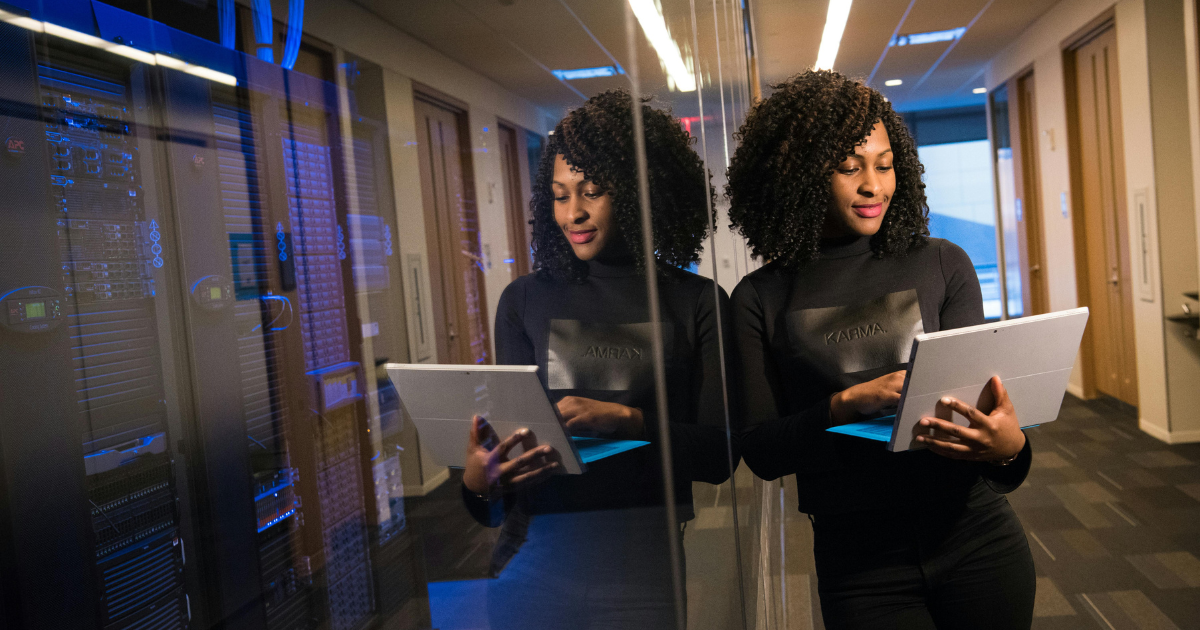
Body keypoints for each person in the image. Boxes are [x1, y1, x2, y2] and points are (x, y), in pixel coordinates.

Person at [728, 70, 1035, 630]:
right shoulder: (759, 297)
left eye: (885, 163)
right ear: (799, 177)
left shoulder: (944, 263)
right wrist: (847, 405)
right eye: (849, 167)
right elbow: (762, 451)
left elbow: (991, 423)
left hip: (977, 537)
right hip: (860, 563)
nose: (874, 185)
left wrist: (1011, 448)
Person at [460, 89, 734, 629]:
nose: (574, 213)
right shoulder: (524, 301)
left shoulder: (695, 302)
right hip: (533, 556)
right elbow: (500, 475)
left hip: (643, 565)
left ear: (638, 193)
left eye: (591, 192)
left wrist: (629, 421)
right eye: (560, 196)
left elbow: (720, 455)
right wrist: (477, 480)